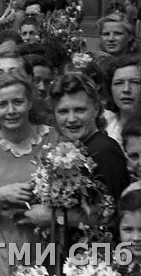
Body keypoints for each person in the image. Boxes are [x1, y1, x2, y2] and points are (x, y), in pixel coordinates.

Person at [0, 73, 58, 276]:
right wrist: (1, 196)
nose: (11, 111)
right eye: (2, 104)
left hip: (45, 246)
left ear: (29, 103)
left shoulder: (53, 139)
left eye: (18, 102)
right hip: (3, 251)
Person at [48, 73, 129, 204]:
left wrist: (53, 216)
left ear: (96, 110)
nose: (72, 119)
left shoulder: (105, 151)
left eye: (80, 110)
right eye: (63, 112)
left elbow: (111, 215)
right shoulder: (72, 148)